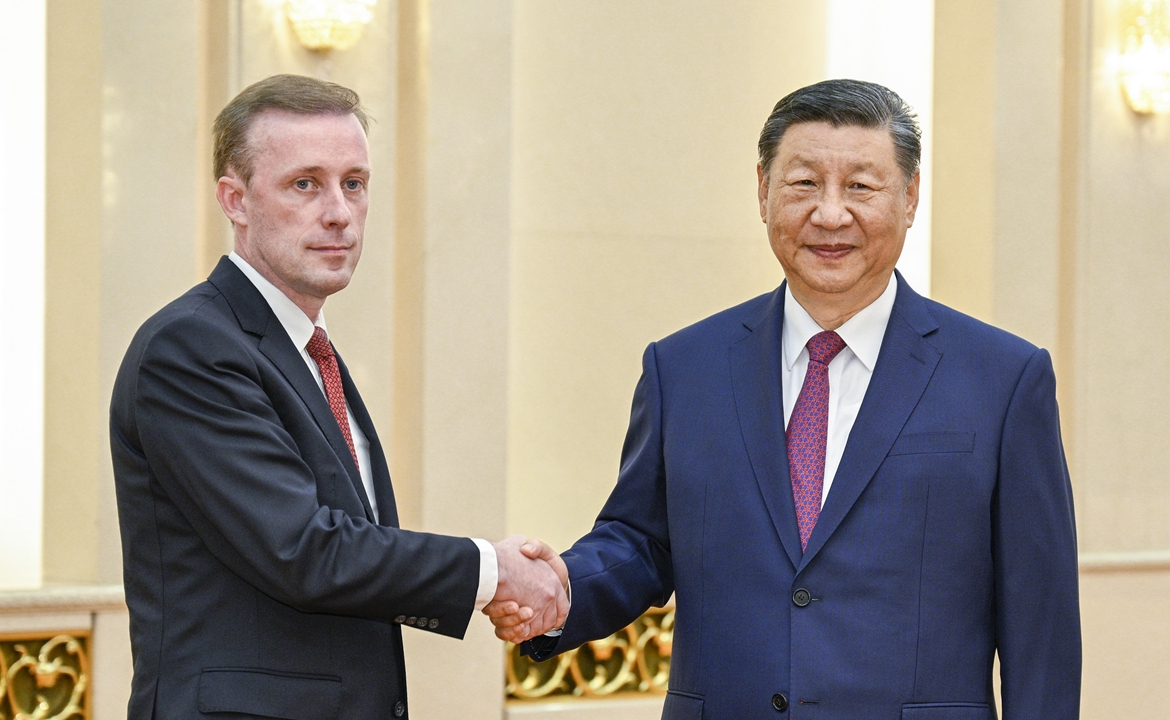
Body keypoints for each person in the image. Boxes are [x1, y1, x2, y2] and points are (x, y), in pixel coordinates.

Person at [488, 79, 1082, 718]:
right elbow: (642, 541)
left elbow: (1040, 623)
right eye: (803, 184)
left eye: (861, 186)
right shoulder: (683, 367)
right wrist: (562, 588)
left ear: (910, 196)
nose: (831, 214)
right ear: (763, 191)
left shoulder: (1003, 379)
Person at [110, 74, 566, 720]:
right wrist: (492, 571)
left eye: (354, 183)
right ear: (235, 201)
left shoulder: (307, 351)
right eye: (305, 184)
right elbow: (303, 550)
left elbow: (356, 556)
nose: (339, 213)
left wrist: (497, 581)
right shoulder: (189, 348)